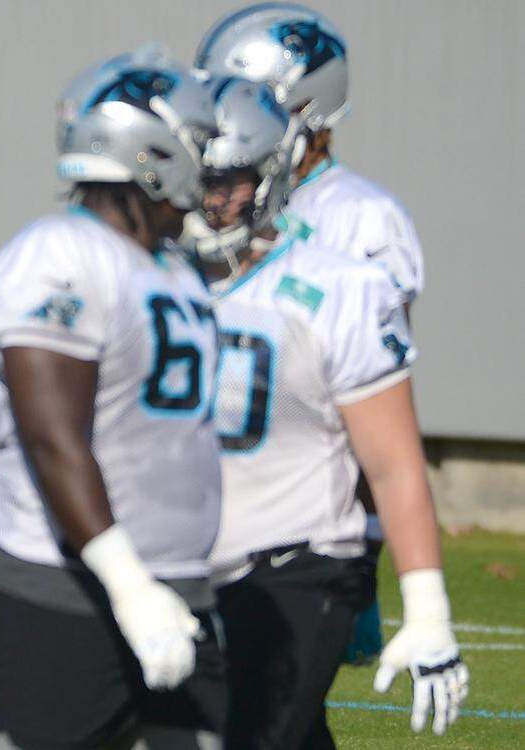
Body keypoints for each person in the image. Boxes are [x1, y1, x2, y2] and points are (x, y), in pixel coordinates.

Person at [180, 75, 468, 748]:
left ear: (271, 175)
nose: (214, 200)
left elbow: (394, 464)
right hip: (189, 561)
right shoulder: (155, 279)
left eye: (232, 180)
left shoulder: (341, 286)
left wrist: (427, 611)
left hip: (300, 562)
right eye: (202, 179)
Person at [0, 47, 226, 750]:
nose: (206, 163)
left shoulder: (170, 262)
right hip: (69, 586)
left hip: (174, 583)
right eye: (196, 144)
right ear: (150, 152)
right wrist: (129, 587)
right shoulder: (59, 254)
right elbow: (55, 437)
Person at [194, 1, 427, 667]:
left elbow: (375, 387)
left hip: (309, 522)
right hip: (210, 504)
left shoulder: (362, 218)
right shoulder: (211, 202)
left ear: (304, 107)